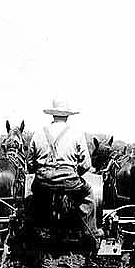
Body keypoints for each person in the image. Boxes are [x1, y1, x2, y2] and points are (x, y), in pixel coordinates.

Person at [27, 99, 101, 242]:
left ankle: (31, 229)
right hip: (69, 181)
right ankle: (90, 231)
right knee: (89, 195)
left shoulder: (38, 133)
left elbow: (30, 163)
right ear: (67, 116)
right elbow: (86, 164)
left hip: (43, 181)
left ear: (53, 115)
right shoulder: (77, 133)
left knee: (31, 196)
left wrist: (43, 171)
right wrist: (72, 174)